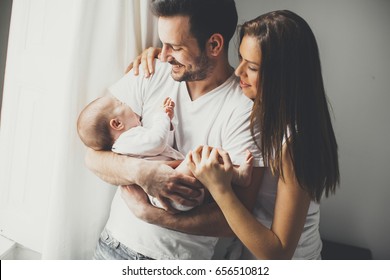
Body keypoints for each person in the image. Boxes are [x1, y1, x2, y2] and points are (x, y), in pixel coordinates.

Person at [129, 10, 340, 259]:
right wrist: (164, 55)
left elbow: (278, 254)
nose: (238, 72)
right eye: (240, 59)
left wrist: (220, 188)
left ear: (283, 76)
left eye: (251, 67)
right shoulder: (262, 112)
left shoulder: (297, 143)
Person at [85, 0, 264, 260]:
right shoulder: (151, 70)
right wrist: (142, 172)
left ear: (214, 45)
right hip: (111, 246)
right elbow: (93, 156)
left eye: (176, 47)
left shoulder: (244, 109)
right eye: (163, 43)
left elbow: (236, 222)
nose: (164, 54)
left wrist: (152, 215)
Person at [77, 95, 253, 211]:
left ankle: (232, 178)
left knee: (203, 165)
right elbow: (156, 142)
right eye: (121, 104)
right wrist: (162, 117)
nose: (127, 104)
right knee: (199, 155)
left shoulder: (132, 141)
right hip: (170, 192)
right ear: (116, 124)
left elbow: (163, 147)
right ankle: (238, 176)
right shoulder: (126, 140)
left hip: (173, 191)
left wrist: (167, 126)